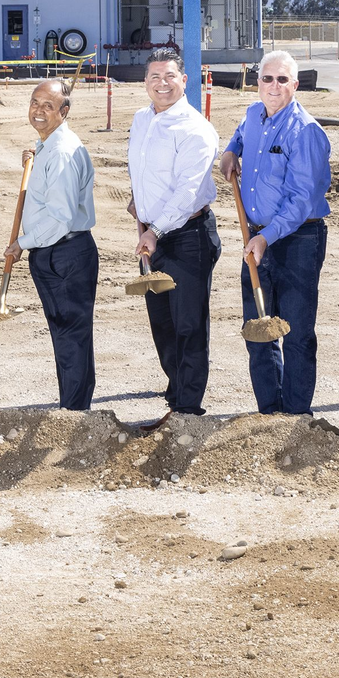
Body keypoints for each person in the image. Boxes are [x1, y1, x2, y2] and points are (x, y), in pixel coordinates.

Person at [219, 50, 331, 416]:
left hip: (297, 240)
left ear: (295, 85)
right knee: (258, 329)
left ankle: (296, 416)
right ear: (257, 83)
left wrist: (266, 238)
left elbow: (301, 200)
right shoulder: (253, 115)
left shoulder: (306, 131)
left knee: (296, 333)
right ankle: (270, 412)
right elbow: (240, 133)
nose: (274, 86)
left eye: (283, 80)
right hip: (257, 236)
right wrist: (231, 150)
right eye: (267, 78)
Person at [128, 47, 221, 428]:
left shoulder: (196, 129)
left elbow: (186, 191)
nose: (162, 84)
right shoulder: (141, 119)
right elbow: (140, 170)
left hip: (187, 237)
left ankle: (187, 411)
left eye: (170, 77)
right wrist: (139, 209)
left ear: (185, 80)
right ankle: (175, 393)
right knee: (163, 324)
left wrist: (155, 229)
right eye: (154, 77)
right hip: (153, 236)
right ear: (145, 82)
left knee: (188, 325)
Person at [6, 80, 99, 409]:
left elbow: (60, 218)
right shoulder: (50, 146)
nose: (39, 110)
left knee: (71, 338)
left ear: (65, 111)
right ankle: (73, 408)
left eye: (49, 105)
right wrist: (36, 153)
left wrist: (21, 243)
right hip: (57, 251)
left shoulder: (60, 152)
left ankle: (75, 413)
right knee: (66, 337)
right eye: (35, 103)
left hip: (64, 253)